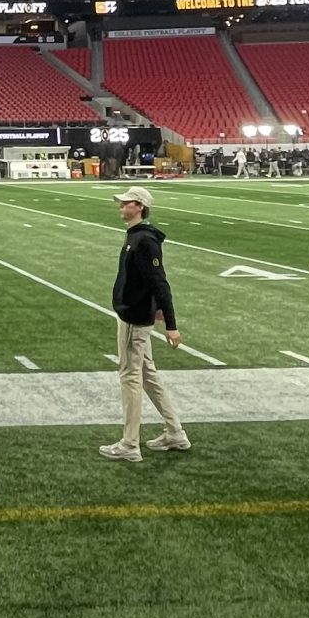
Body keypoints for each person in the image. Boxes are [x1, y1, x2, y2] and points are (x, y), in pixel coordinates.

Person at [101, 185, 187, 462]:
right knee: (147, 375)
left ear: (139, 206)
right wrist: (159, 309)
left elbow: (159, 282)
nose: (120, 206)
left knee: (130, 377)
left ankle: (130, 443)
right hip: (137, 313)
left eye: (125, 203)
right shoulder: (136, 237)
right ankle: (175, 432)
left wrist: (170, 322)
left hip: (134, 318)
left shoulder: (143, 241)